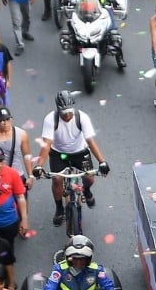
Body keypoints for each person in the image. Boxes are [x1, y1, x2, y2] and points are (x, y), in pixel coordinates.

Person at [32, 91, 110, 225]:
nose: (67, 115)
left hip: (79, 152)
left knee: (89, 177)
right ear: (58, 109)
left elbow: (90, 142)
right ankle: (59, 208)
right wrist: (39, 166)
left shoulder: (82, 118)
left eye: (69, 111)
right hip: (58, 154)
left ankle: (86, 190)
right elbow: (46, 145)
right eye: (64, 112)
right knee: (56, 179)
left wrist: (102, 162)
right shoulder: (50, 119)